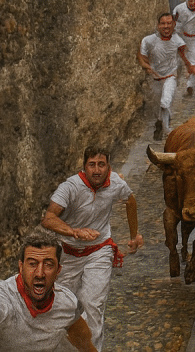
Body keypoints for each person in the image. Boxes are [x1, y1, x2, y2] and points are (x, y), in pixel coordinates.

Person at [40, 147, 143, 352]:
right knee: (63, 305)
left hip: (99, 251)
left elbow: (130, 200)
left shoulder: (115, 183)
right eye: (92, 165)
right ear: (84, 167)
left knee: (92, 304)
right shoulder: (70, 187)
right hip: (68, 254)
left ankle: (92, 349)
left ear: (109, 167)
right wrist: (74, 232)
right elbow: (48, 218)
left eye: (101, 164)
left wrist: (134, 235)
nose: (97, 170)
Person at [139, 12, 192, 141]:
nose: (166, 26)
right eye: (163, 23)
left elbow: (183, 55)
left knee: (165, 102)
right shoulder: (149, 40)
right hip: (155, 79)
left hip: (170, 77)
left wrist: (189, 67)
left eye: (169, 23)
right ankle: (159, 122)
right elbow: (141, 56)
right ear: (158, 25)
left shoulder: (178, 40)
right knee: (159, 104)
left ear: (173, 25)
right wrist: (147, 66)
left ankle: (167, 130)